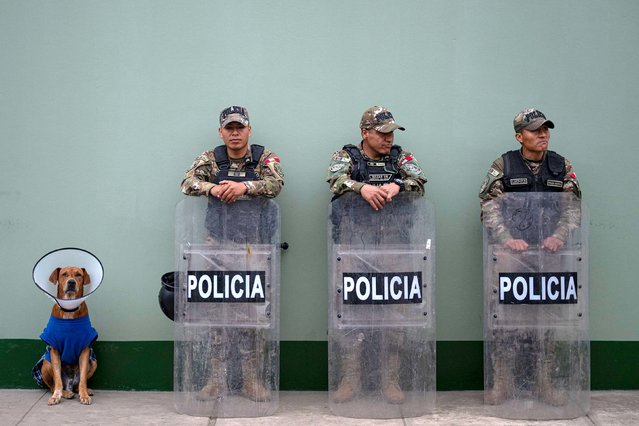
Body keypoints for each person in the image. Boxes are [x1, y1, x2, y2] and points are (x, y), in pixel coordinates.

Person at [180, 105, 284, 402]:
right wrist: (213, 190)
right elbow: (187, 183)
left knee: (252, 314)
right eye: (229, 128)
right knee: (217, 313)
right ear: (221, 132)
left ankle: (251, 381)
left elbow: (276, 183)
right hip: (217, 246)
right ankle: (216, 380)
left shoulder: (265, 158)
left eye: (240, 128)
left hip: (254, 247)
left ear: (249, 130)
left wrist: (244, 188)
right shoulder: (211, 159)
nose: (235, 133)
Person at [479, 108, 581, 406]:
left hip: (550, 256)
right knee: (506, 319)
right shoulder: (504, 165)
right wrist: (507, 239)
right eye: (535, 130)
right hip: (511, 257)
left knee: (546, 321)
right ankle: (503, 383)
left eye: (545, 129)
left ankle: (545, 383)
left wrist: (559, 236)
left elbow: (573, 206)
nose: (543, 135)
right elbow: (488, 205)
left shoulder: (561, 166)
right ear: (519, 136)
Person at [326, 106, 427, 404]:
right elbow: (335, 180)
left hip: (395, 250)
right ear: (365, 133)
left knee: (394, 318)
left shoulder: (401, 158)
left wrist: (398, 185)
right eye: (382, 133)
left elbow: (420, 182)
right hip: (354, 251)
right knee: (352, 316)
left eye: (391, 133)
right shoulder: (345, 157)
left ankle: (390, 380)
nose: (388, 138)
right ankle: (350, 379)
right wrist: (362, 189)